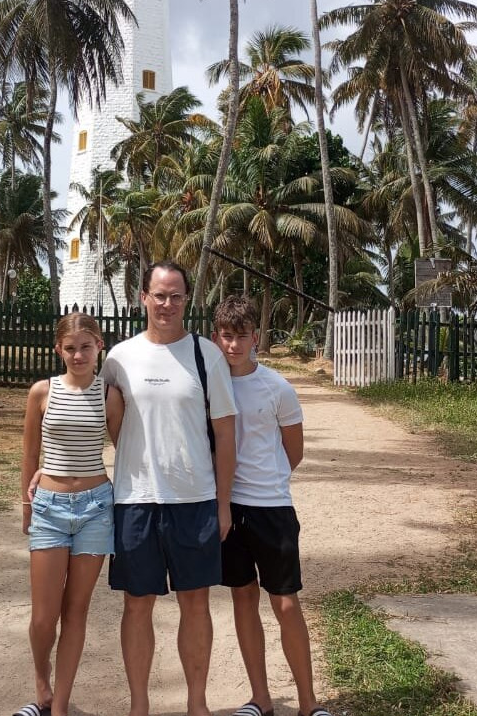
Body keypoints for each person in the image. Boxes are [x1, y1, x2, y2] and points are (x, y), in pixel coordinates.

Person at [101, 261, 237, 716]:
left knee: (195, 605)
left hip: (194, 499)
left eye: (176, 295)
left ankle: (196, 704)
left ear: (187, 300)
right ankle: (139, 705)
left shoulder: (206, 355)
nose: (167, 304)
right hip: (135, 500)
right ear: (143, 296)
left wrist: (222, 504)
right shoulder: (119, 357)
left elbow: (225, 433)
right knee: (137, 606)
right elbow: (95, 421)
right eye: (159, 294)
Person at [210, 296, 332, 716]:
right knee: (243, 598)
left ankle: (308, 703)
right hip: (228, 507)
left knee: (285, 602)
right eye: (226, 336)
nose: (233, 345)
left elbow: (292, 452)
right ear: (216, 337)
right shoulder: (211, 386)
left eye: (241, 336)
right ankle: (260, 699)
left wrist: (267, 480)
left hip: (271, 507)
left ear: (255, 338)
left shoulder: (277, 387)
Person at [16, 312, 124, 716]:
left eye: (86, 346)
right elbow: (29, 454)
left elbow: (127, 449)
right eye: (70, 347)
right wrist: (28, 506)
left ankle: (58, 705)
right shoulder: (41, 392)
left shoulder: (108, 395)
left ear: (99, 346)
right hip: (49, 507)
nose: (78, 354)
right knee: (44, 616)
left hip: (96, 507)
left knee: (76, 610)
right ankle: (42, 681)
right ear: (58, 349)